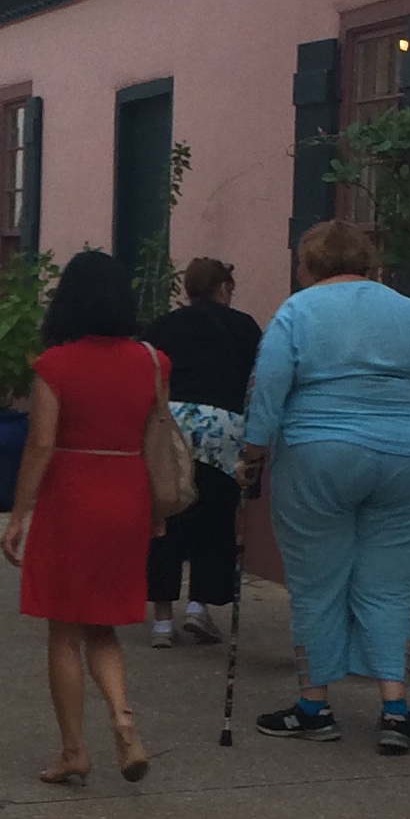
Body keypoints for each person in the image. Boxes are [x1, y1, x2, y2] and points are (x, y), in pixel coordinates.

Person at [240, 217, 410, 753]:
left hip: (318, 453)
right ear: (369, 263)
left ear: (307, 265)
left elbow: (269, 385)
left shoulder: (296, 311)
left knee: (317, 583)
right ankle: (395, 710)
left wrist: (253, 452)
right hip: (409, 454)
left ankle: (313, 707)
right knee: (391, 585)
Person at [0, 248, 163, 786]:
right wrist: (156, 509)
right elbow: (154, 440)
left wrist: (18, 514)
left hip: (73, 497)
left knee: (64, 630)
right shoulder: (152, 362)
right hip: (129, 492)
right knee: (103, 625)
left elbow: (42, 443)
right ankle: (123, 719)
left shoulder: (56, 365)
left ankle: (74, 750)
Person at [143, 256, 263, 648]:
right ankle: (199, 605)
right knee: (215, 516)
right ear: (223, 288)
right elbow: (256, 379)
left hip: (173, 422)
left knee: (166, 514)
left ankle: (162, 621)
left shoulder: (163, 326)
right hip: (223, 428)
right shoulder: (244, 327)